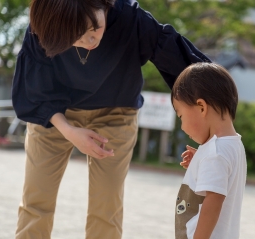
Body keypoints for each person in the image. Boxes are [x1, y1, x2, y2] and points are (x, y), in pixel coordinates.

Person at [12, 0, 211, 238]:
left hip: (116, 112)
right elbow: (34, 90)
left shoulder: (131, 18)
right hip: (54, 115)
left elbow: (181, 61)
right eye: (76, 38)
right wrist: (69, 130)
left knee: (106, 207)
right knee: (36, 200)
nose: (90, 42)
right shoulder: (45, 23)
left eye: (93, 29)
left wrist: (212, 126)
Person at [171, 63, 247, 239]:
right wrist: (200, 162)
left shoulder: (216, 153)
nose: (182, 126)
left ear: (202, 108)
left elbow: (212, 204)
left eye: (181, 116)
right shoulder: (232, 145)